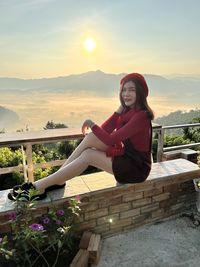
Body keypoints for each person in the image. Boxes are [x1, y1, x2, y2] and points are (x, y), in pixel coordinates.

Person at [8, 73, 154, 201]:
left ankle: (38, 186)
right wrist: (117, 112)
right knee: (91, 137)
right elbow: (105, 130)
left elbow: (110, 139)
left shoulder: (142, 116)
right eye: (124, 90)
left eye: (132, 90)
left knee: (88, 155)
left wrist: (91, 122)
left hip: (136, 168)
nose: (126, 94)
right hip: (127, 157)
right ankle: (58, 180)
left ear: (140, 93)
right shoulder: (127, 112)